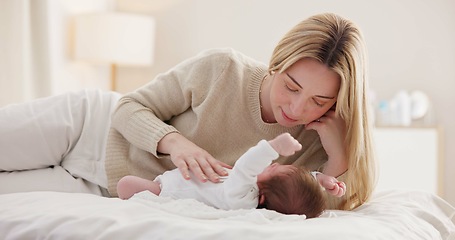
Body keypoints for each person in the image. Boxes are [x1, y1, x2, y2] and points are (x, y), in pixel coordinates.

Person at [0, 12, 375, 211]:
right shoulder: (223, 69)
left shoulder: (315, 142)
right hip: (87, 127)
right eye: (291, 86)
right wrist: (175, 143)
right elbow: (129, 107)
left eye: (319, 101)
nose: (296, 108)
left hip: (102, 189)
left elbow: (322, 208)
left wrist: (340, 152)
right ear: (277, 62)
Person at [117, 133, 344, 218]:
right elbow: (297, 185)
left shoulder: (242, 198)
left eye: (273, 169)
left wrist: (273, 146)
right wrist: (320, 179)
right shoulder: (254, 192)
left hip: (169, 190)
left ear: (261, 197)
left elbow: (246, 166)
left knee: (126, 184)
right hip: (181, 176)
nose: (272, 164)